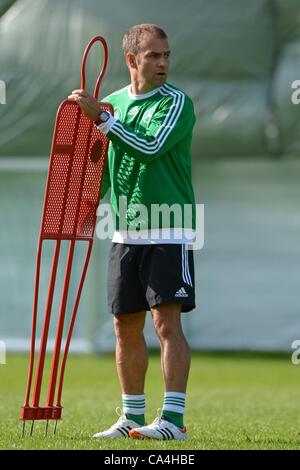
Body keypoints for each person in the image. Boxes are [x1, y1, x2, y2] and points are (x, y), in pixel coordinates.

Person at [68, 23, 196, 441]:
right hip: (124, 231)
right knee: (125, 324)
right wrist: (81, 207)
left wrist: (103, 121)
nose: (162, 63)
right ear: (131, 60)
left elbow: (150, 146)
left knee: (165, 324)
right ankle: (131, 418)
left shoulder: (177, 102)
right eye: (153, 56)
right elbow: (105, 168)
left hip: (169, 227)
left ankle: (173, 422)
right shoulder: (114, 104)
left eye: (166, 55)